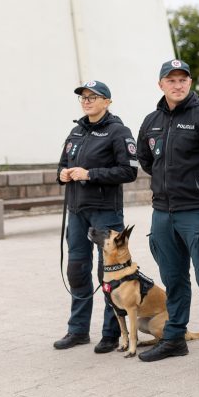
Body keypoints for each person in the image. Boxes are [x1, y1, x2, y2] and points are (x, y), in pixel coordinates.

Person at [136, 60, 199, 372]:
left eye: (183, 80)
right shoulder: (151, 121)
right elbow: (145, 159)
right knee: (173, 280)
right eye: (171, 80)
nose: (177, 85)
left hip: (198, 213)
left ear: (190, 82)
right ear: (161, 85)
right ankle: (174, 338)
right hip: (163, 214)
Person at [54, 80, 138, 352]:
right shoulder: (75, 132)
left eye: (94, 97)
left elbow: (129, 171)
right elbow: (62, 166)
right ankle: (77, 331)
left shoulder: (118, 131)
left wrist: (90, 174)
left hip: (105, 212)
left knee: (109, 274)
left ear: (107, 101)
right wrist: (64, 175)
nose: (87, 101)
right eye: (84, 97)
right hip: (77, 212)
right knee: (77, 270)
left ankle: (111, 334)